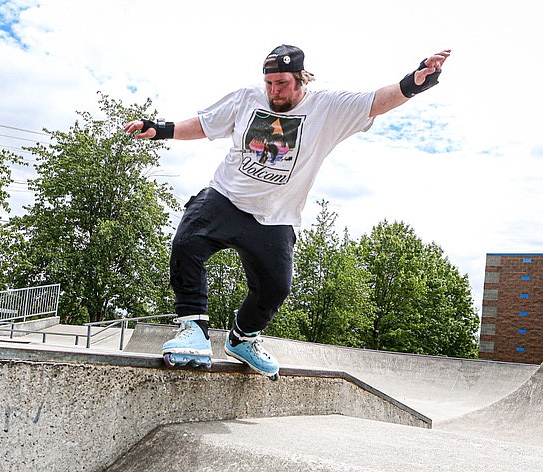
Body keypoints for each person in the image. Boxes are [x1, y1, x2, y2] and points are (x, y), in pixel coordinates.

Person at [124, 45, 451, 378]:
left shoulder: (327, 107)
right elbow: (207, 124)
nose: (273, 91)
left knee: (275, 288)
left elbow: (378, 101)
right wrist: (161, 129)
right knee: (187, 243)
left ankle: (242, 338)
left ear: (300, 79)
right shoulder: (246, 98)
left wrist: (415, 82)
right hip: (226, 197)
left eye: (281, 84)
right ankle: (193, 328)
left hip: (276, 216)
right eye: (268, 84)